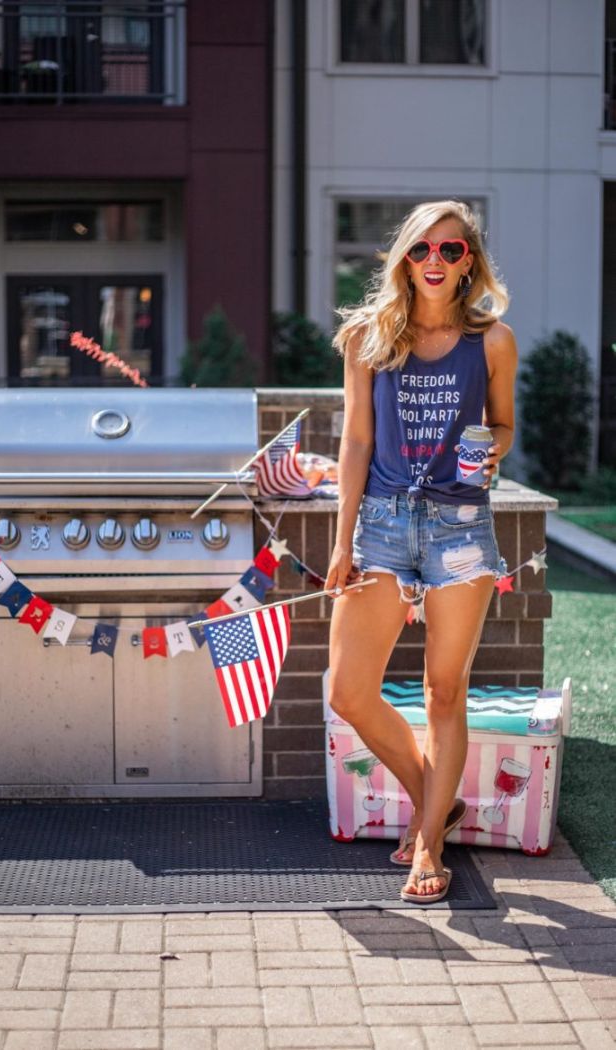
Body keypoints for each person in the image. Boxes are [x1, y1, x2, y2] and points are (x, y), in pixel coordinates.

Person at [326, 200, 517, 904]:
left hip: (461, 529)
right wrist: (342, 540)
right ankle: (434, 799)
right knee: (349, 689)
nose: (435, 261)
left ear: (470, 262)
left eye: (452, 250)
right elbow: (355, 442)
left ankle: (429, 842)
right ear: (403, 258)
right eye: (421, 250)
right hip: (380, 522)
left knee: (444, 692)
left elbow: (502, 426)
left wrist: (490, 452)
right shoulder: (368, 338)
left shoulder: (492, 341)